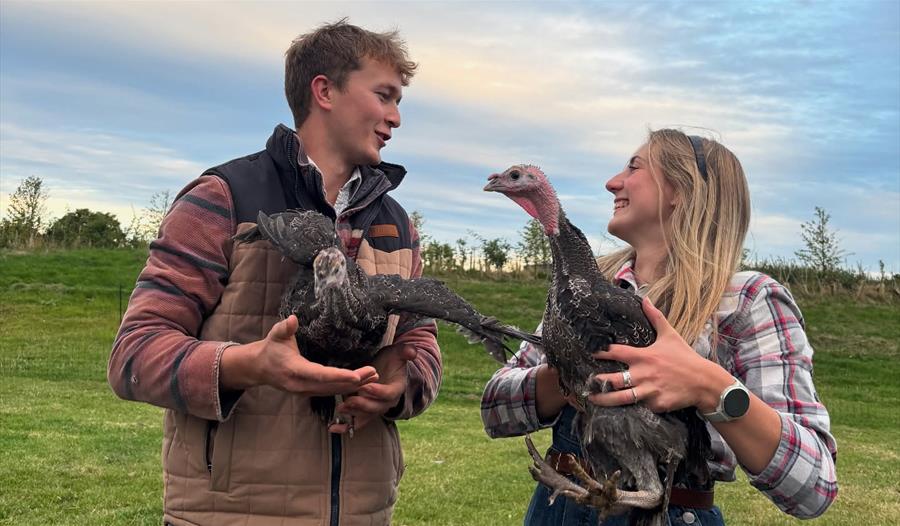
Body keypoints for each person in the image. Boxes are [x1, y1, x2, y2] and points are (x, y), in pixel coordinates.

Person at [108, 20, 442, 526]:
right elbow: (134, 355)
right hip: (232, 513)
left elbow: (423, 344)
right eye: (385, 95)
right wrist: (250, 365)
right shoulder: (223, 196)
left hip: (364, 513)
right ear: (324, 91)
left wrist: (401, 380)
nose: (395, 117)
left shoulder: (397, 225)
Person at [481, 129, 837, 525]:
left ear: (681, 190)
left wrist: (709, 386)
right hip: (560, 503)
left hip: (666, 512)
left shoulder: (745, 299)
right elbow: (495, 408)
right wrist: (573, 374)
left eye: (634, 167)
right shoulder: (587, 284)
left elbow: (814, 486)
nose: (611, 182)